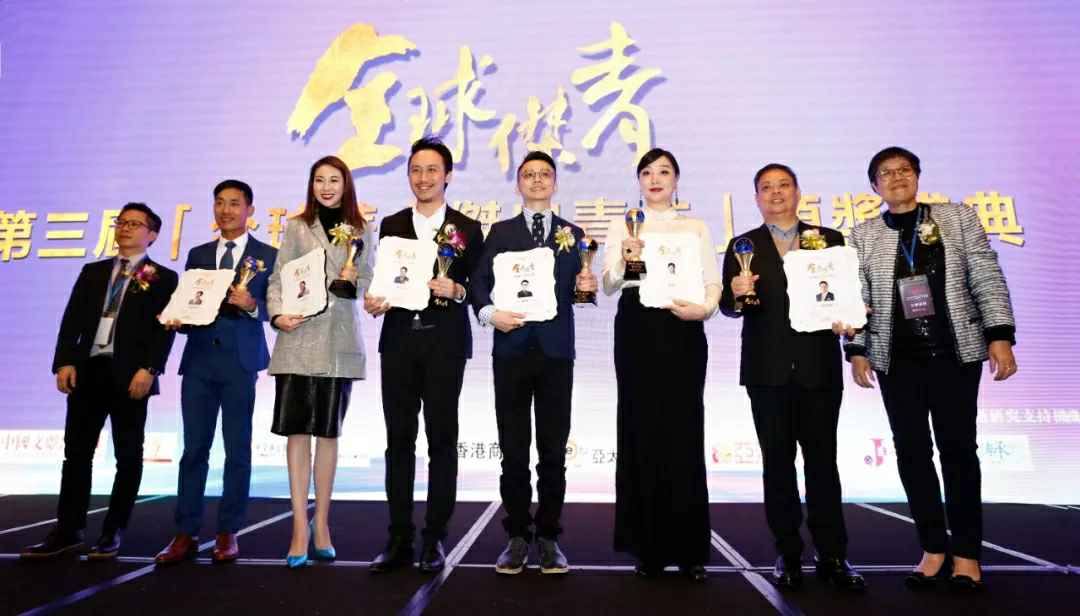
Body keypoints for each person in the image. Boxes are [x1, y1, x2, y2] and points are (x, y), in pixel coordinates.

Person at [842, 147, 1017, 592]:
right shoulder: (863, 235)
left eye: (904, 170)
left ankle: (967, 554)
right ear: (874, 186)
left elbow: (986, 275)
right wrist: (857, 349)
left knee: (959, 452)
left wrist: (1000, 334)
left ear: (917, 176)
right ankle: (933, 548)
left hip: (954, 355)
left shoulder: (956, 218)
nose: (896, 177)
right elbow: (856, 294)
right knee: (912, 454)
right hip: (897, 360)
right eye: (885, 173)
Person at [720, 163, 865, 591]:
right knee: (777, 466)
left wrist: (850, 323)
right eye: (766, 187)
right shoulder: (743, 244)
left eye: (783, 185)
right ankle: (787, 553)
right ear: (756, 198)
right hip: (766, 371)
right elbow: (730, 307)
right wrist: (736, 295)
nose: (776, 193)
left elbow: (848, 296)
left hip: (819, 369)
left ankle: (833, 554)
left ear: (798, 192)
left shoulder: (829, 239)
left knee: (823, 465)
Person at [22, 203, 177, 560]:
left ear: (152, 234)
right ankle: (68, 530)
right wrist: (64, 361)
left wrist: (150, 369)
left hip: (131, 375)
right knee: (76, 453)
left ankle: (113, 531)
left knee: (128, 455)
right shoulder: (93, 272)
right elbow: (71, 320)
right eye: (122, 222)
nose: (126, 228)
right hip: (88, 371)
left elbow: (163, 330)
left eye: (135, 224)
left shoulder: (162, 277)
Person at [470, 150, 597, 575]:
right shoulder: (500, 232)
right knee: (513, 449)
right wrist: (490, 314)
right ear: (518, 184)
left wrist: (585, 285)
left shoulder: (572, 234)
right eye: (529, 175)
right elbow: (478, 282)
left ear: (555, 183)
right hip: (510, 350)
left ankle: (548, 536)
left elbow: (578, 292)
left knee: (553, 451)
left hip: (556, 353)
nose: (537, 180)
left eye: (545, 174)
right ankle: (517, 536)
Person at [364, 137, 484, 574]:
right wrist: (375, 300)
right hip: (398, 342)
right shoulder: (392, 224)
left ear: (447, 175)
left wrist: (459, 289)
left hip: (444, 345)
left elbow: (480, 287)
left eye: (432, 170)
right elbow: (386, 279)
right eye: (416, 169)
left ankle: (434, 539)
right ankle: (398, 538)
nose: (424, 178)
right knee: (398, 442)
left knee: (442, 442)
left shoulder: (468, 228)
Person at [603, 148, 719, 581]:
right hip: (637, 329)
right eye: (647, 172)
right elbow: (609, 284)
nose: (655, 179)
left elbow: (712, 281)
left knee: (684, 431)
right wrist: (624, 258)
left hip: (683, 328)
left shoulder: (695, 228)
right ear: (639, 181)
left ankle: (690, 550)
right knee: (640, 430)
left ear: (676, 180)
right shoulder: (623, 225)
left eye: (664, 172)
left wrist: (705, 309)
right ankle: (647, 547)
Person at [155, 180, 277, 565]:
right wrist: (177, 319)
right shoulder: (198, 254)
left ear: (249, 210)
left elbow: (276, 309)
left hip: (240, 362)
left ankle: (229, 531)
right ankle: (185, 532)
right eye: (220, 203)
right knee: (194, 450)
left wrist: (253, 305)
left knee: (238, 449)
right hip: (200, 361)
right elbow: (191, 305)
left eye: (234, 204)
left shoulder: (268, 255)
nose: (226, 210)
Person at [268, 156, 374, 568]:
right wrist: (277, 314)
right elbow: (278, 277)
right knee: (297, 433)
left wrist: (355, 280)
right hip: (297, 337)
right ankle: (299, 526)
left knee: (328, 435)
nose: (326, 187)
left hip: (337, 340)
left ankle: (322, 524)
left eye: (334, 180)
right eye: (319, 180)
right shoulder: (297, 226)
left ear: (346, 185)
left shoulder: (362, 229)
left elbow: (368, 281)